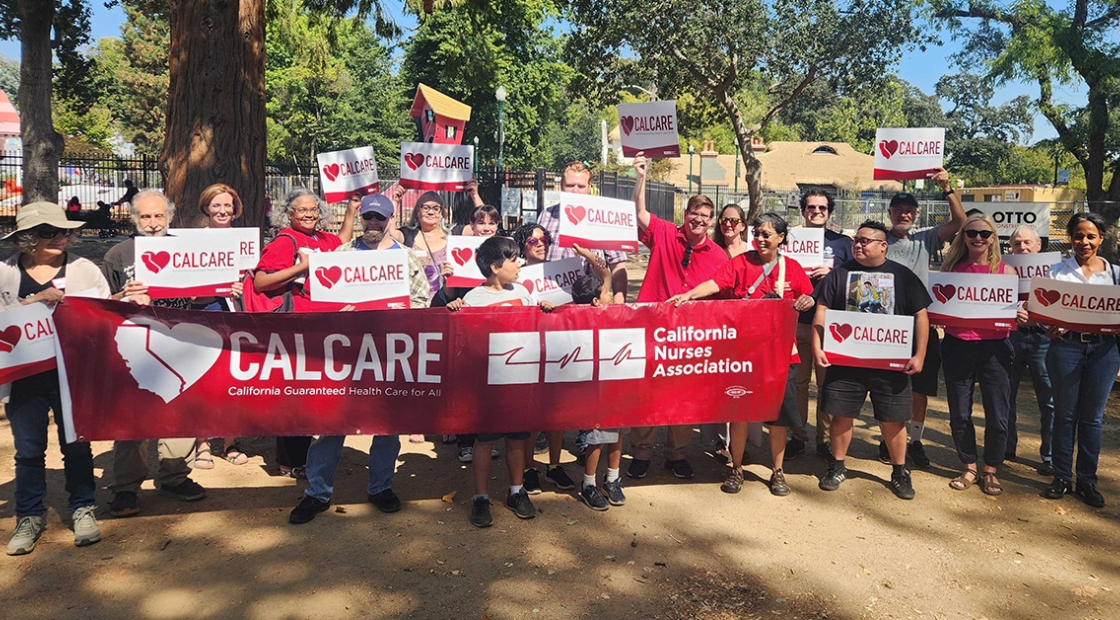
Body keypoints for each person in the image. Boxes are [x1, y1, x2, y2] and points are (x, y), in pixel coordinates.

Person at [288, 194, 430, 524]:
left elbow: (422, 302)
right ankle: (317, 492)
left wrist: (403, 310)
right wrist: (339, 310)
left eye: (380, 218)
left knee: (387, 425)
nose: (374, 223)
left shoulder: (406, 258)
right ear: (361, 217)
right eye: (368, 217)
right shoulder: (342, 254)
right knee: (332, 422)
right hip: (346, 353)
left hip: (390, 350)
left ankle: (381, 487)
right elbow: (319, 300)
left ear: (391, 219)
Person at [668, 213, 815, 496]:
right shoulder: (740, 263)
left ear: (781, 238)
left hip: (781, 355)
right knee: (740, 410)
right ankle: (736, 467)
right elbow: (715, 284)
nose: (760, 239)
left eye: (767, 234)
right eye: (757, 233)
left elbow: (806, 297)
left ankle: (778, 471)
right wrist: (688, 296)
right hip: (743, 354)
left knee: (779, 416)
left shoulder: (793, 269)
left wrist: (807, 301)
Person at [2, 202, 108, 555]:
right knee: (29, 450)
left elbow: (105, 314)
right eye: (49, 232)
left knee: (76, 443)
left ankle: (82, 507)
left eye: (65, 231)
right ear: (28, 239)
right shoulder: (4, 272)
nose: (61, 237)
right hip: (24, 376)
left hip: (73, 373)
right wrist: (35, 300)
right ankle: (29, 516)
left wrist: (128, 299)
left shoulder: (85, 270)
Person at [101, 190, 206, 517]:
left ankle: (174, 476)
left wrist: (223, 288)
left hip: (181, 341)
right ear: (134, 219)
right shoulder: (118, 255)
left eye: (158, 216)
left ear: (170, 218)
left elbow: (201, 296)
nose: (152, 223)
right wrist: (123, 295)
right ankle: (127, 487)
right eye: (145, 217)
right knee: (132, 417)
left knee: (179, 412)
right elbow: (101, 304)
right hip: (135, 344)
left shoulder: (187, 251)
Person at [812, 220, 932, 500]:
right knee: (841, 416)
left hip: (890, 363)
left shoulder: (903, 276)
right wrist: (818, 347)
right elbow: (822, 311)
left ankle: (900, 471)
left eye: (865, 240)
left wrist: (920, 354)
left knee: (893, 420)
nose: (858, 244)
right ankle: (838, 465)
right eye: (856, 240)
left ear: (883, 245)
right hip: (846, 361)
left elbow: (921, 316)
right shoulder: (839, 274)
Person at [447, 236, 554, 527]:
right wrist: (456, 310)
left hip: (519, 382)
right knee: (485, 440)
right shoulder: (472, 299)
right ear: (495, 266)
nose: (520, 264)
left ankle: (516, 491)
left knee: (518, 438)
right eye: (513, 260)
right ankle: (480, 497)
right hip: (487, 386)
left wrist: (543, 309)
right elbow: (461, 342)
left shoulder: (523, 292)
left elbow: (538, 328)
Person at [255, 188, 343, 478]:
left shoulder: (325, 240)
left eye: (313, 210)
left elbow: (343, 245)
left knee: (318, 393)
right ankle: (289, 461)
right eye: (301, 210)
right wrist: (301, 267)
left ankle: (308, 456)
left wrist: (353, 209)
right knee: (297, 394)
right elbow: (261, 282)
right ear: (289, 214)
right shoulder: (285, 241)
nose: (308, 214)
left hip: (329, 329)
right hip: (298, 328)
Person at [883, 169, 966, 468]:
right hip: (886, 327)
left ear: (916, 215)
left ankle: (915, 441)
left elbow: (960, 223)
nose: (903, 215)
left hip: (921, 325)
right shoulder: (879, 241)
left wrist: (947, 187)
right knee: (888, 387)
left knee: (920, 389)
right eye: (898, 210)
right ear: (890, 213)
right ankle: (888, 439)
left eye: (909, 211)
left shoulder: (925, 239)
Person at [1038, 212, 1118, 508]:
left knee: (1092, 419)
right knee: (1065, 415)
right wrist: (1048, 327)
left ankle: (1087, 479)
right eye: (1078, 235)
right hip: (1065, 349)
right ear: (1070, 238)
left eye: (1091, 236)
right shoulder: (1056, 272)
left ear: (1101, 238)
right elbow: (1042, 316)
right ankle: (1061, 476)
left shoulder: (1115, 274)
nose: (1084, 241)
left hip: (1104, 351)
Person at [939, 213, 1015, 496]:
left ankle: (991, 469)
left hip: (995, 348)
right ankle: (969, 465)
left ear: (993, 238)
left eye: (984, 233)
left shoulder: (1006, 273)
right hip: (958, 345)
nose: (978, 238)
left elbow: (1013, 311)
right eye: (972, 234)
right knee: (959, 411)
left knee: (998, 413)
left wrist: (1017, 313)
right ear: (963, 238)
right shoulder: (950, 269)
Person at [511, 222, 577, 495]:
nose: (540, 243)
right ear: (521, 245)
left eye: (545, 238)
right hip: (528, 352)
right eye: (532, 240)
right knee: (530, 417)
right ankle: (527, 469)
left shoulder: (563, 272)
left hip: (560, 349)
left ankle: (554, 465)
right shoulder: (514, 275)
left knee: (557, 414)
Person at [792, 190, 853, 461]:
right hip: (798, 321)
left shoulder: (844, 244)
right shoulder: (790, 239)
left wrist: (834, 273)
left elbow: (857, 278)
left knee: (828, 385)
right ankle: (797, 436)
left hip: (831, 325)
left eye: (822, 208)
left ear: (830, 212)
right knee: (799, 384)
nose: (817, 212)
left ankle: (824, 440)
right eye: (811, 207)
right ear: (803, 210)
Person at [192, 184, 248, 469]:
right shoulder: (192, 241)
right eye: (216, 206)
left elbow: (255, 279)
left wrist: (242, 287)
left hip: (236, 315)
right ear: (206, 208)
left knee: (231, 381)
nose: (223, 211)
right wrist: (215, 286)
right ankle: (203, 444)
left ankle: (230, 442)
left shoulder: (246, 240)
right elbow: (188, 291)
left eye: (227, 205)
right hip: (205, 313)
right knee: (204, 380)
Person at [569, 244, 626, 510]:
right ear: (595, 301)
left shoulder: (612, 313)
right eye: (606, 293)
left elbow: (605, 274)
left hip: (615, 384)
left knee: (617, 431)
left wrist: (587, 255)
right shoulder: (579, 317)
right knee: (596, 437)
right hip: (593, 390)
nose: (610, 293)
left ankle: (613, 479)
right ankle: (589, 484)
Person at [534, 161, 629, 303]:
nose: (575, 190)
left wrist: (618, 307)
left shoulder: (604, 218)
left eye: (581, 186)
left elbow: (618, 266)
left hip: (589, 305)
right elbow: (535, 260)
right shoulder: (546, 216)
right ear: (561, 185)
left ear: (590, 187)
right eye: (570, 185)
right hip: (552, 303)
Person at [1006, 225, 1055, 476]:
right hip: (1011, 336)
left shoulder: (1054, 272)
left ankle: (1049, 456)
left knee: (1049, 400)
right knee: (1006, 394)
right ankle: (1006, 446)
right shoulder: (1002, 270)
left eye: (1027, 243)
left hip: (1043, 339)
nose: (1022, 248)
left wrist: (1039, 317)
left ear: (1039, 246)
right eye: (1016, 243)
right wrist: (1011, 310)